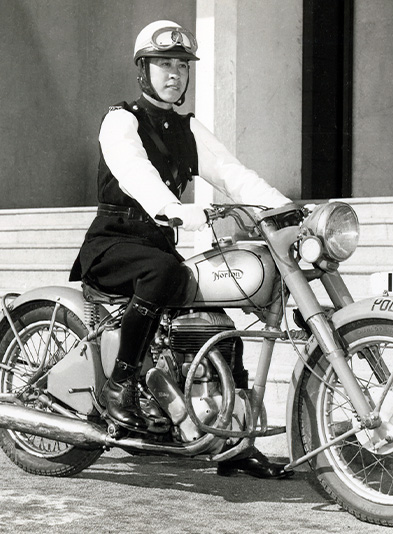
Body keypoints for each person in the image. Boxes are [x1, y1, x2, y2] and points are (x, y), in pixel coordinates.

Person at [69, 20, 292, 479]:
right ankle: (120, 383)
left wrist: (284, 207)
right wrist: (172, 209)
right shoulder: (121, 119)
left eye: (181, 66)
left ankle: (233, 441)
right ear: (142, 70)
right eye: (162, 64)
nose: (174, 74)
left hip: (157, 248)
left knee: (221, 318)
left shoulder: (188, 129)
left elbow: (233, 174)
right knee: (164, 275)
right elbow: (134, 172)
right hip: (114, 242)